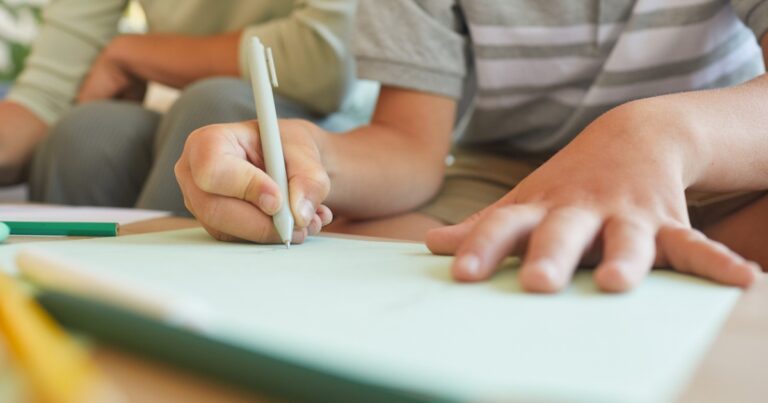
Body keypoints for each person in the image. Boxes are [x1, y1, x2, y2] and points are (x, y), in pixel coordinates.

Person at [176, 0, 768, 292]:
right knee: (340, 271)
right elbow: (408, 145)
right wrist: (310, 153)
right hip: (500, 182)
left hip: (713, 169)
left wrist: (651, 134)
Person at [0, 0, 369, 214]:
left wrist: (134, 52)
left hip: (340, 127)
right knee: (86, 134)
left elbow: (328, 60)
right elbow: (45, 97)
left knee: (215, 107)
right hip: (194, 107)